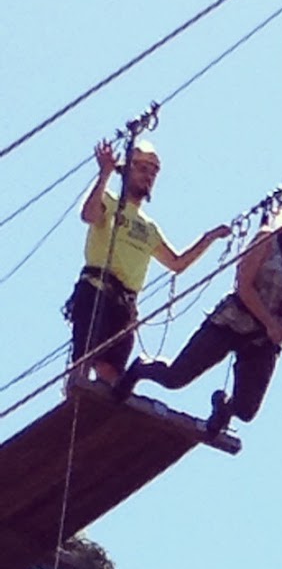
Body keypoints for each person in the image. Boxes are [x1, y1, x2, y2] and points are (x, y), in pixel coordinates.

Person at [116, 181, 282, 436]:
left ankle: (224, 409)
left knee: (247, 410)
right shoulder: (267, 240)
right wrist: (272, 324)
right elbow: (244, 286)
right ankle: (140, 368)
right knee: (176, 377)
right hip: (231, 322)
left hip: (263, 340)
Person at [67, 138, 230, 386]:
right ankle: (74, 399)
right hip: (97, 290)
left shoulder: (149, 228)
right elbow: (89, 215)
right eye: (142, 169)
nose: (148, 177)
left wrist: (209, 238)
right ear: (127, 170)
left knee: (112, 374)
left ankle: (100, 405)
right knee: (84, 361)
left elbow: (177, 263)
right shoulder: (109, 201)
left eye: (153, 172)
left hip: (124, 305)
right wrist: (105, 174)